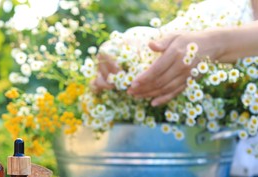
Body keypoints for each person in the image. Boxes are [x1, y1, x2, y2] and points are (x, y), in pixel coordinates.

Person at [92, 0, 258, 107]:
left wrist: (215, 43)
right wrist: (120, 50)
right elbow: (163, 41)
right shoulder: (224, 10)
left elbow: (199, 43)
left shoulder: (215, 32)